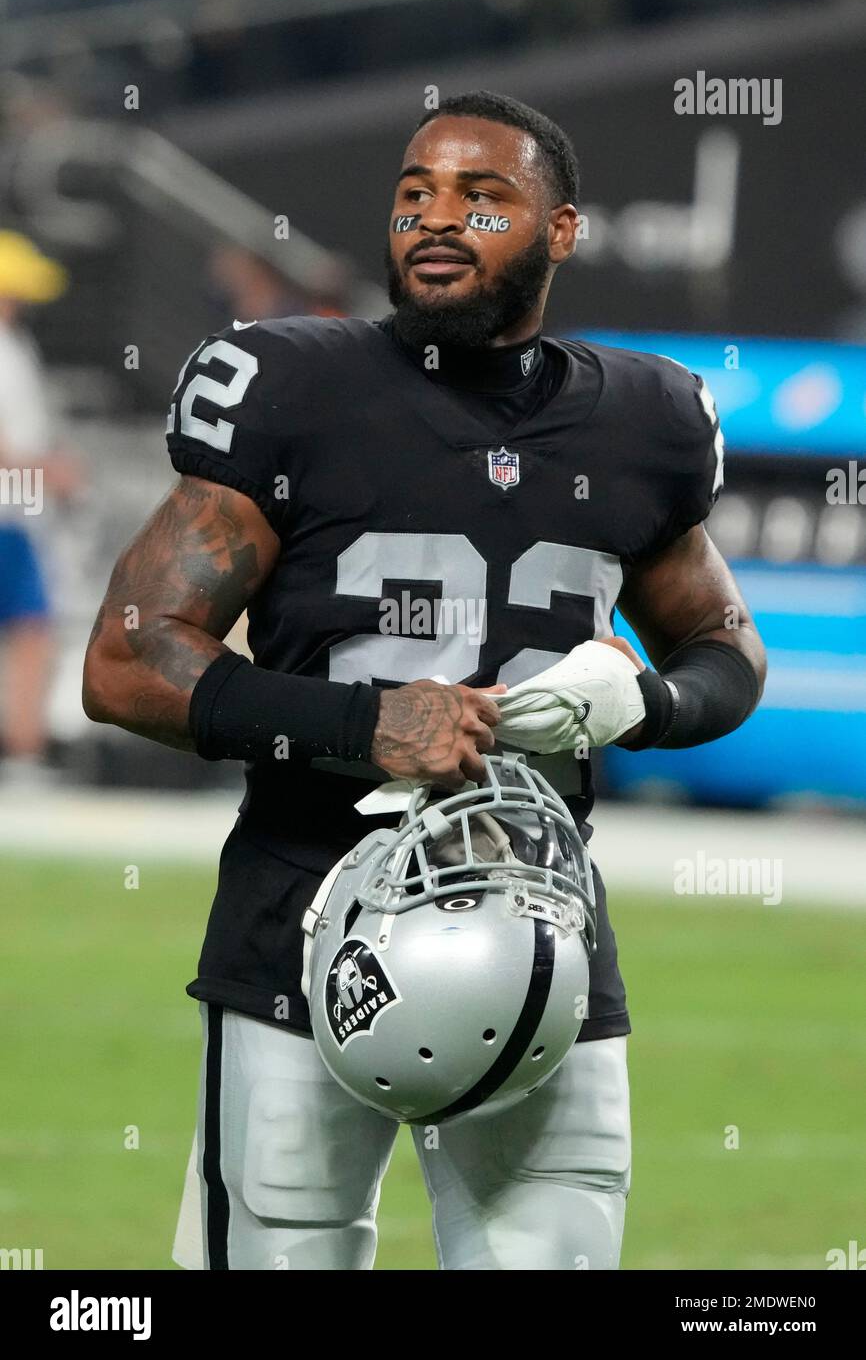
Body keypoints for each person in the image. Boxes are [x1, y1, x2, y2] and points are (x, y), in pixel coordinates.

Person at [82, 91, 766, 1270]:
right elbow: (127, 659)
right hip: (304, 924)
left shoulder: (643, 420)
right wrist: (364, 723)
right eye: (414, 195)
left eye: (480, 197)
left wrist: (639, 700)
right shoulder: (289, 386)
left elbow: (728, 652)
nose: (434, 219)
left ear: (561, 231)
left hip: (544, 920)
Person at [0, 230, 79, 785]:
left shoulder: (14, 345)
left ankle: (23, 752)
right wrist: (48, 474)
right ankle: (24, 755)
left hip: (17, 513)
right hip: (9, 513)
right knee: (32, 632)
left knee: (31, 632)